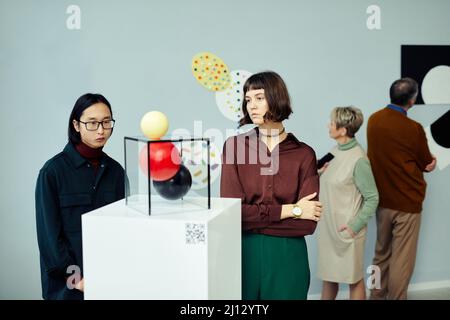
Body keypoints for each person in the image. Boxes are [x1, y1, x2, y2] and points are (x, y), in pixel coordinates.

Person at [220, 71, 322, 300]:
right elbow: (232, 214)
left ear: (277, 98)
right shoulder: (234, 147)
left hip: (288, 258)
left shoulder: (304, 154)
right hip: (243, 255)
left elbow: (306, 225)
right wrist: (292, 210)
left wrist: (252, 219)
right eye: (248, 100)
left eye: (259, 98)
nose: (251, 106)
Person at [35, 93, 125, 300]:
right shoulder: (52, 172)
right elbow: (50, 239)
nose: (101, 130)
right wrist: (77, 280)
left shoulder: (116, 172)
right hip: (66, 289)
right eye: (92, 123)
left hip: (108, 284)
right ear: (76, 125)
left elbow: (120, 231)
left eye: (106, 122)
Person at [367, 78, 437, 300]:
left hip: (382, 200)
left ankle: (375, 296)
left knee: (380, 255)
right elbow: (426, 162)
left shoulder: (374, 120)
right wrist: (432, 162)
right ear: (412, 100)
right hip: (407, 203)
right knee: (401, 260)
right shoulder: (413, 128)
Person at [316, 106, 379, 300]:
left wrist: (354, 227)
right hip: (328, 229)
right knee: (329, 277)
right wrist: (316, 173)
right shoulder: (334, 151)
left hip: (347, 231)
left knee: (354, 279)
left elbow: (373, 197)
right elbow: (320, 173)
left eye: (332, 123)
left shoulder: (359, 160)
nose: (328, 125)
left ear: (342, 130)